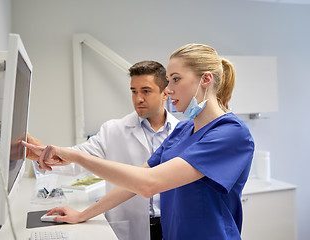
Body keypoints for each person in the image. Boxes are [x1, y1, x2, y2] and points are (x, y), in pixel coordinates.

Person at [24, 44, 255, 240]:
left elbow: (149, 184)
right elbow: (133, 183)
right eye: (168, 81)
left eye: (175, 79)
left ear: (206, 79)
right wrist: (83, 214)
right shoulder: (183, 130)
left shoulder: (231, 134)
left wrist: (77, 156)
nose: (169, 89)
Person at [26, 60, 179, 240]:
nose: (138, 99)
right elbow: (79, 159)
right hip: (128, 226)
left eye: (146, 91)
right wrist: (41, 155)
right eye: (134, 91)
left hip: (171, 225)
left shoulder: (181, 132)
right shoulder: (113, 130)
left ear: (164, 93)